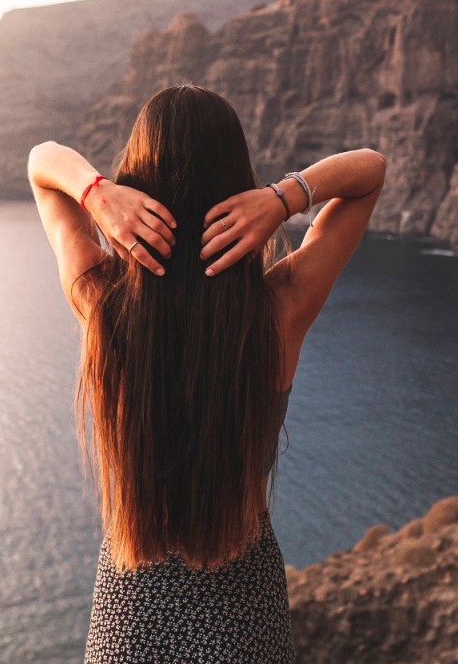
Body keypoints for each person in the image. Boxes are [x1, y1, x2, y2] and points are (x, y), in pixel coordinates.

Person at [27, 83, 385, 662]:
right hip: (245, 617)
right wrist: (283, 199)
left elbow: (42, 162)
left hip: (130, 614)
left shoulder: (101, 306)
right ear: (237, 183)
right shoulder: (279, 312)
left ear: (136, 187)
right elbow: (370, 172)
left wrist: (97, 195)